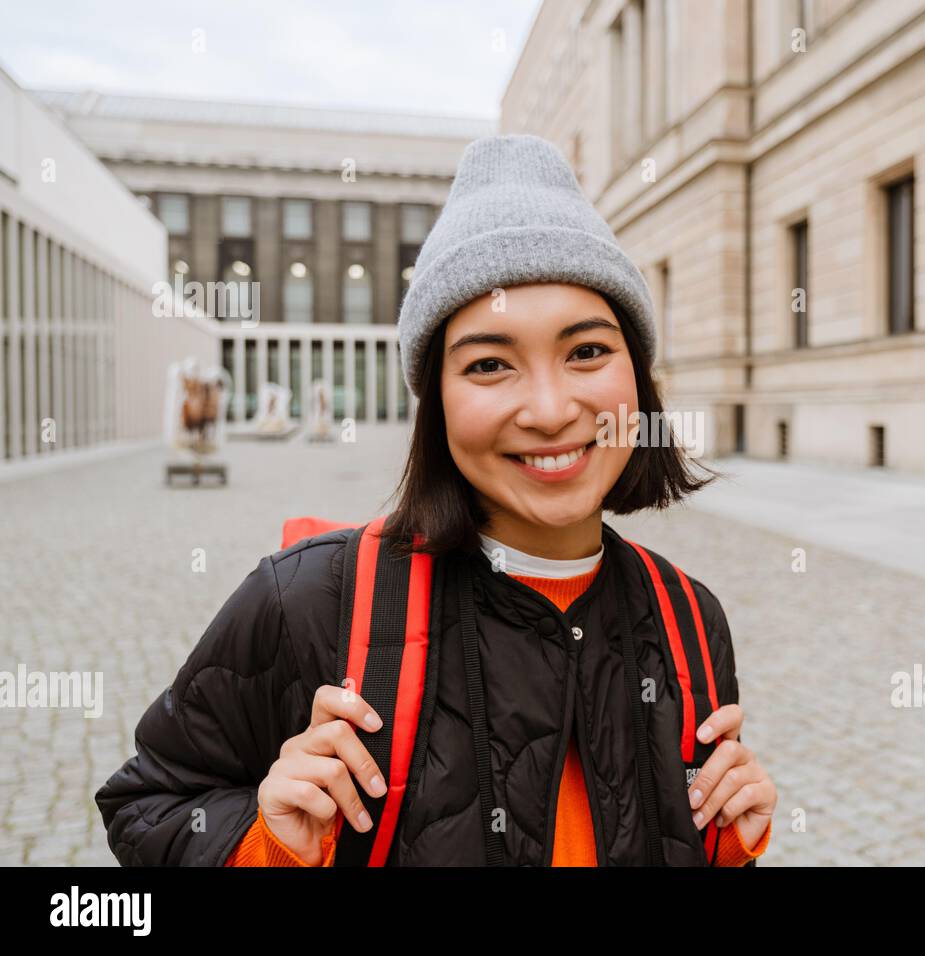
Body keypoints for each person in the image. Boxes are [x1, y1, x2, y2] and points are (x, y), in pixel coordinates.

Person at [96, 134, 777, 866]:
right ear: (437, 404)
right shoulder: (309, 602)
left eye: (586, 351)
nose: (549, 409)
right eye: (489, 364)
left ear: (638, 381)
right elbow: (146, 805)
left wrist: (724, 844)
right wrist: (269, 845)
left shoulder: (690, 622)